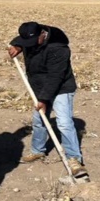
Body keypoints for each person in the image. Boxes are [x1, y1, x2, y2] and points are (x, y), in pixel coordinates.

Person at [8, 22, 87, 177]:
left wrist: (44, 100)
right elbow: (21, 39)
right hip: (38, 86)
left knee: (64, 123)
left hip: (61, 88)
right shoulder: (32, 37)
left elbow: (55, 78)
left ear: (42, 34)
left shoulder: (59, 48)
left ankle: (74, 159)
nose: (29, 46)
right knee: (39, 120)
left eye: (31, 43)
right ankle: (38, 151)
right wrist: (18, 46)